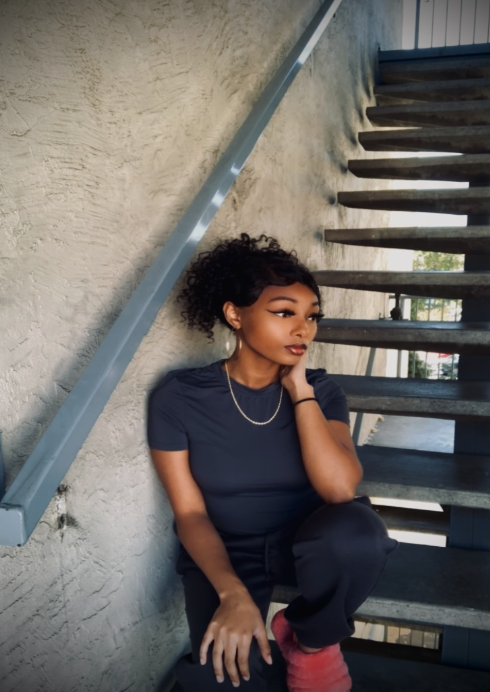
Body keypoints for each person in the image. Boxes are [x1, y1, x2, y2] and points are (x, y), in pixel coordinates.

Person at [148, 234, 397, 692]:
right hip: (225, 549)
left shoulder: (323, 392)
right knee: (220, 676)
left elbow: (340, 490)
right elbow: (189, 513)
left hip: (305, 542)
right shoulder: (180, 397)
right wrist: (231, 592)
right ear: (234, 315)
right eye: (284, 312)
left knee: (359, 533)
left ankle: (311, 640)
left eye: (311, 317)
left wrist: (300, 390)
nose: (303, 329)